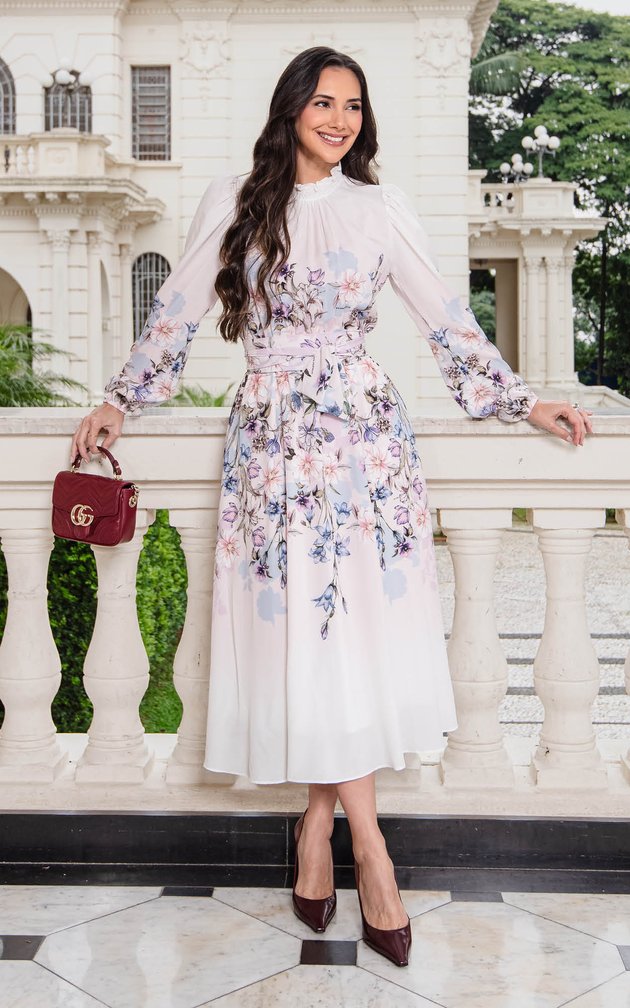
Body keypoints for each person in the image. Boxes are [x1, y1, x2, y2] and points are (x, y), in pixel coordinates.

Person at [71, 47, 593, 967]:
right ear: (291, 109)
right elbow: (177, 312)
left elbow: (445, 318)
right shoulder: (236, 201)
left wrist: (523, 401)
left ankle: (325, 831)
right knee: (308, 641)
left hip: (363, 446)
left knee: (350, 640)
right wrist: (122, 399)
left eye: (353, 105)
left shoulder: (380, 208)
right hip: (272, 445)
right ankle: (371, 851)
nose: (340, 120)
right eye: (323, 101)